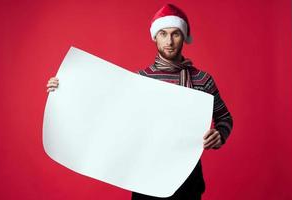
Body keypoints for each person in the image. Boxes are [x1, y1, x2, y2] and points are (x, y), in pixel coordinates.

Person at [46, 4, 233, 200]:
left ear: (184, 37)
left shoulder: (203, 80)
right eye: (163, 33)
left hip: (188, 178)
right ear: (155, 37)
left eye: (175, 34)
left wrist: (220, 134)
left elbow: (224, 118)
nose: (169, 41)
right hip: (145, 177)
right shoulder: (139, 81)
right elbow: (105, 111)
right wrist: (65, 88)